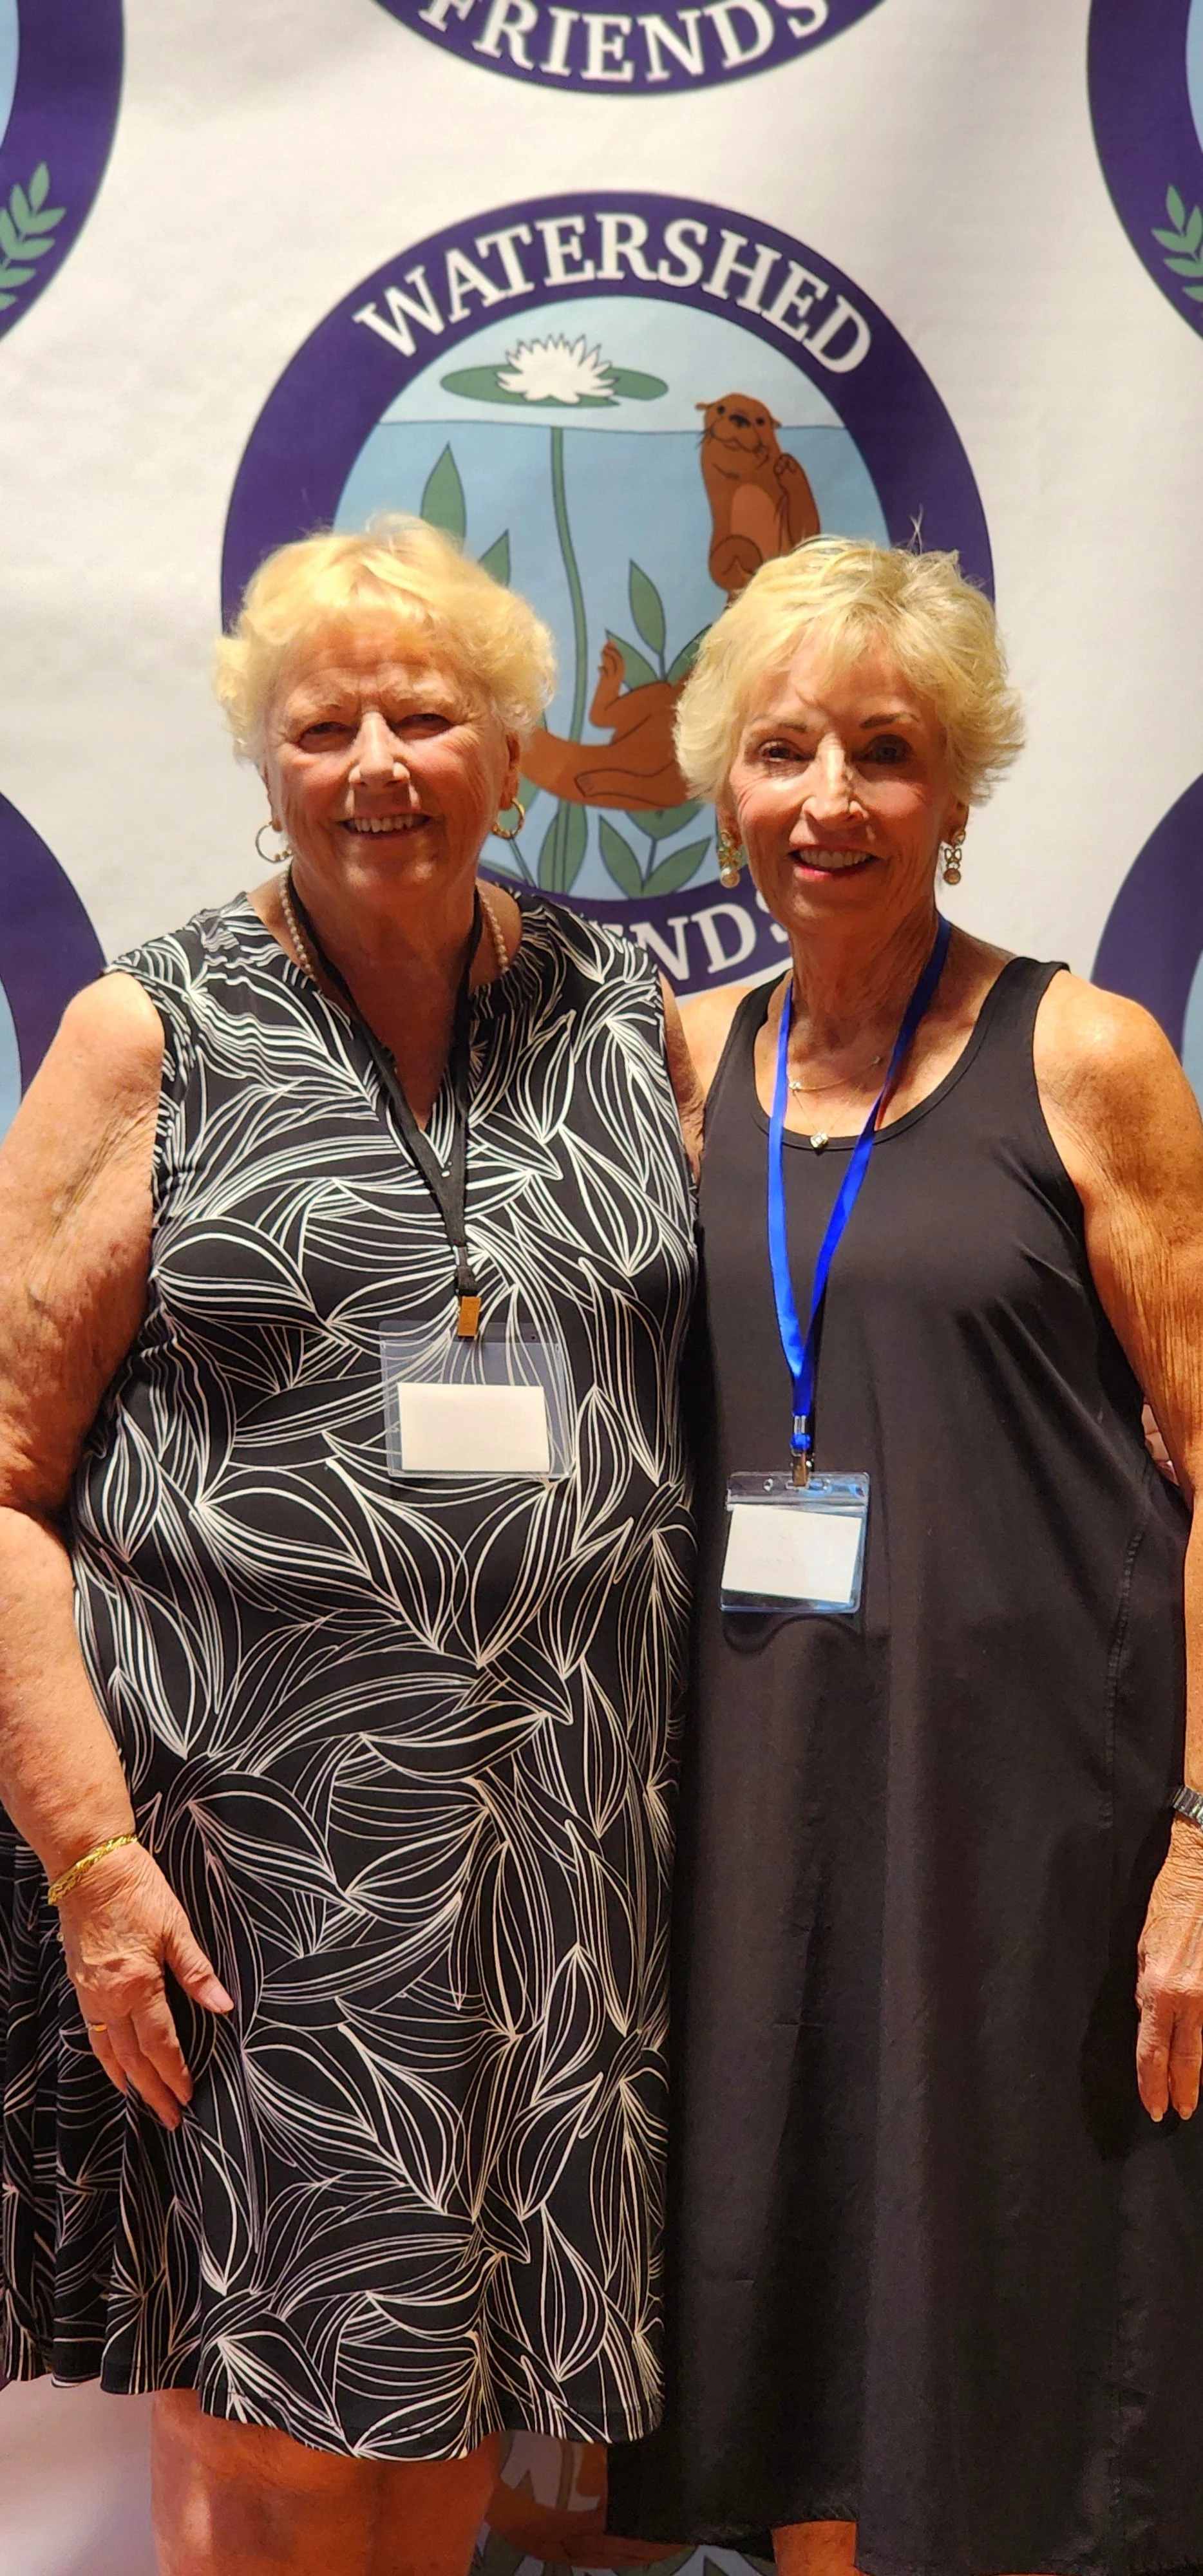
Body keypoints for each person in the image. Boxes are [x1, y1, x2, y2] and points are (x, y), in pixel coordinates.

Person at [0, 518, 701, 2576]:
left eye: (427, 716)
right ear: (266, 765)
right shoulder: (156, 1032)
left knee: (454, 2412)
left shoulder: (617, 1010)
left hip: (559, 1859)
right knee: (274, 2437)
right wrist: (93, 1866)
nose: (377, 762)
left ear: (514, 751)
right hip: (249, 1870)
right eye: (325, 728)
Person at [608, 537, 1203, 2576]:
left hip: (1030, 1828)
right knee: (797, 2357)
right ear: (719, 788)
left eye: (887, 750)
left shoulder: (1088, 1056)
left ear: (959, 787)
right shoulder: (673, 1062)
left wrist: (1200, 1843)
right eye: (783, 753)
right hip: (756, 1816)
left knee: (1023, 2358)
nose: (831, 801)